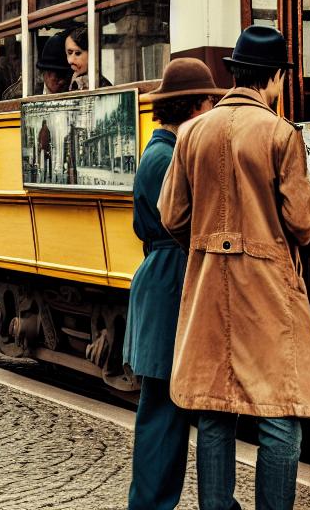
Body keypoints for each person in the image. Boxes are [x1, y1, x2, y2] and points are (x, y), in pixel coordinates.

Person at [159, 25, 310, 510]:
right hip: (268, 288)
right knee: (279, 414)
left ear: (235, 73)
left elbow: (172, 216)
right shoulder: (280, 133)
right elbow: (304, 222)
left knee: (214, 410)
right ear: (274, 78)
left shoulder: (191, 133)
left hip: (209, 284)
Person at [125, 58, 223, 510]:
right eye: (208, 103)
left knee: (165, 406)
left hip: (165, 276)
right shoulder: (166, 156)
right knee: (163, 410)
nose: (211, 111)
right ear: (194, 105)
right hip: (169, 280)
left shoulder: (163, 149)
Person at [63, 25, 112, 91]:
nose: (70, 60)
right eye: (69, 53)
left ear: (91, 54)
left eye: (77, 53)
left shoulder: (100, 85)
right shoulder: (69, 81)